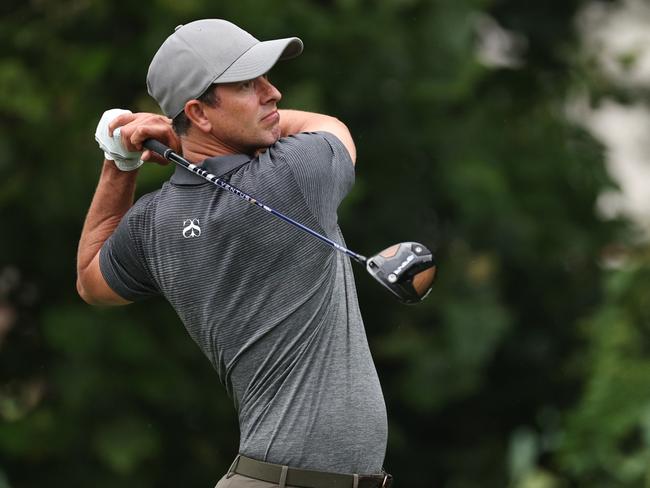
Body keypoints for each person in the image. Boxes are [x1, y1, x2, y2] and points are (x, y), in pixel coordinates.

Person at [77, 19, 392, 488]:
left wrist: (119, 162)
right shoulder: (293, 177)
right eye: (248, 85)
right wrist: (177, 136)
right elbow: (328, 125)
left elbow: (90, 281)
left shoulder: (154, 222)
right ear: (199, 113)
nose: (274, 94)